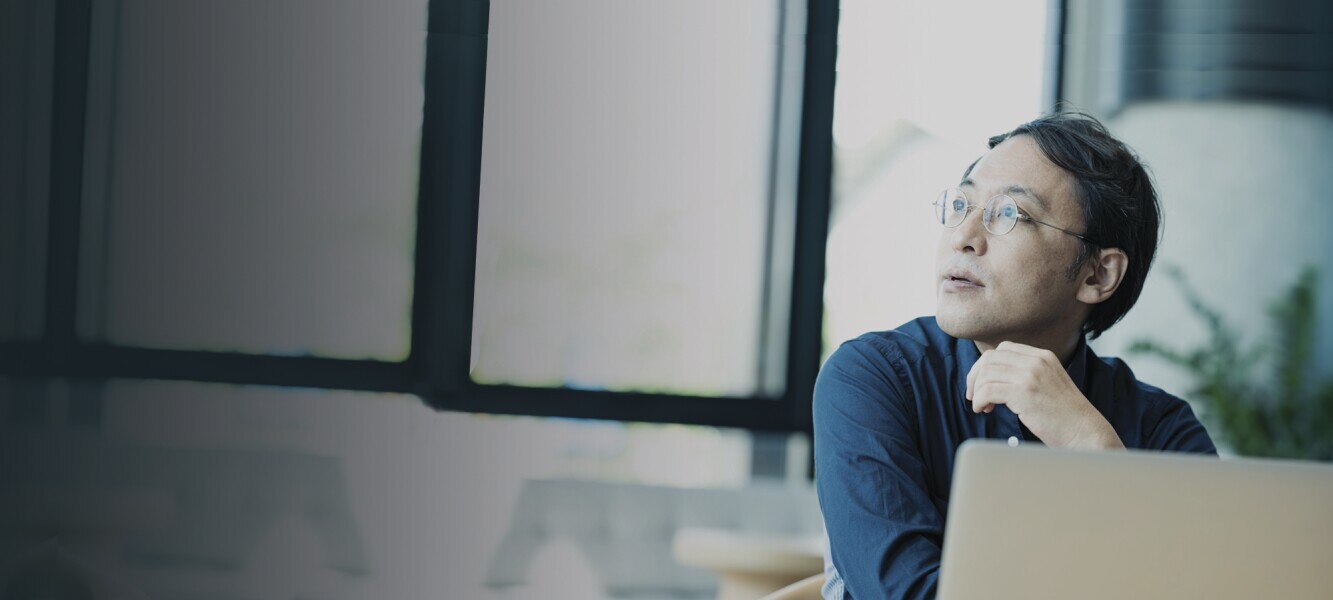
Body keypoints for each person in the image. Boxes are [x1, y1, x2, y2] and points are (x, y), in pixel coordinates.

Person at [813, 113, 1217, 600]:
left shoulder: (1162, 431)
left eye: (1008, 215)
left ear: (1097, 274)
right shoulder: (874, 381)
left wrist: (1090, 446)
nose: (964, 236)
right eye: (961, 204)